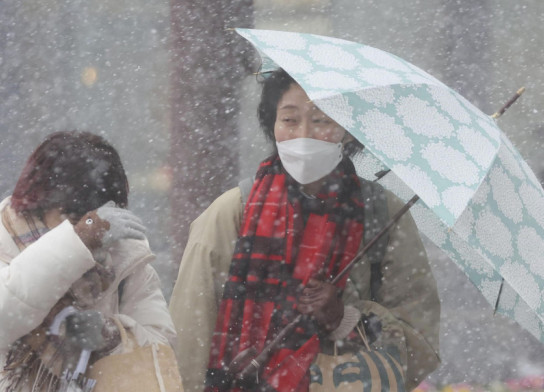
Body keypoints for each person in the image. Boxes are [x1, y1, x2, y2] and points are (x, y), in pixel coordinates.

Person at [169, 69, 440, 391]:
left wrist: (346, 319)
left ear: (347, 131)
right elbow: (189, 331)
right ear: (272, 125)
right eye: (289, 120)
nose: (304, 133)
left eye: (322, 120)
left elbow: (419, 340)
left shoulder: (383, 212)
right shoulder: (233, 211)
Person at [0, 131, 176, 391]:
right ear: (40, 203)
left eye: (98, 212)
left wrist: (108, 334)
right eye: (74, 214)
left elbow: (159, 350)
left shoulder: (126, 262)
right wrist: (78, 240)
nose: (86, 223)